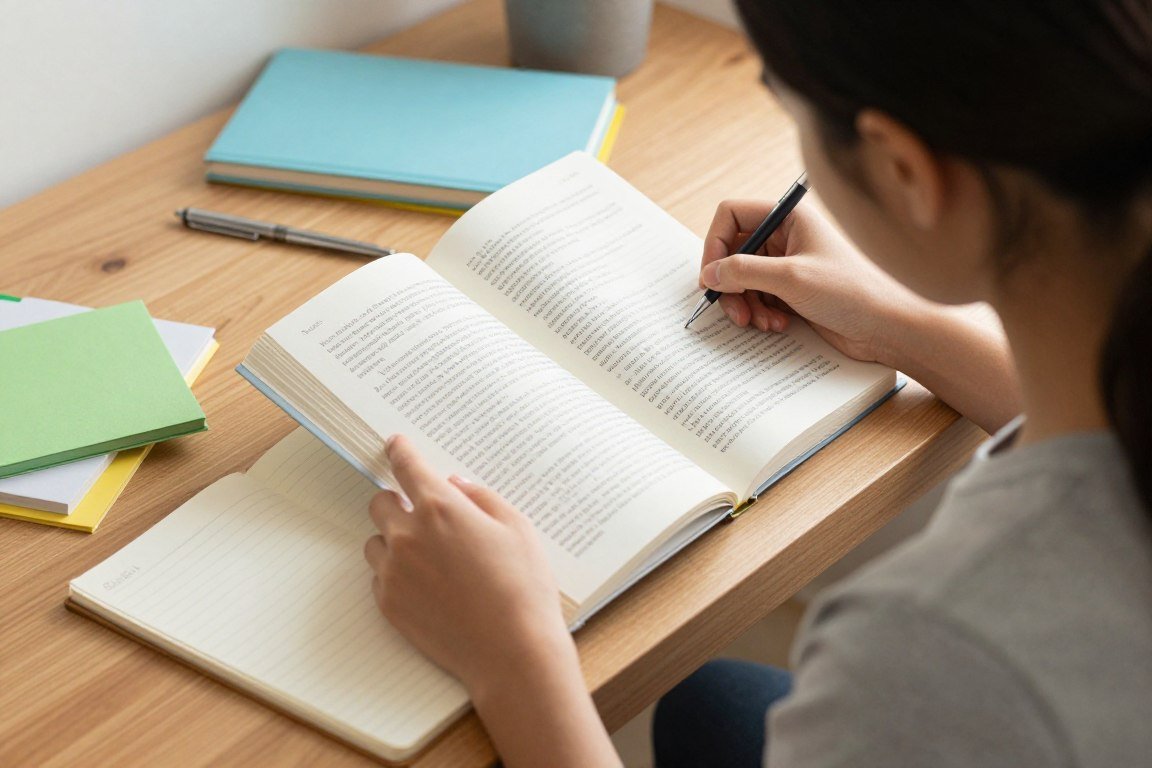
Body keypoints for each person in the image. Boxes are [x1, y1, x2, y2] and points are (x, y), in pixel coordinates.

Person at [361, 0, 1152, 765]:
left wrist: (516, 658)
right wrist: (903, 328)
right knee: (716, 705)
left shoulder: (933, 652)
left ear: (906, 171)